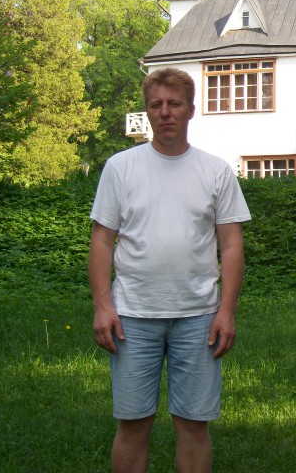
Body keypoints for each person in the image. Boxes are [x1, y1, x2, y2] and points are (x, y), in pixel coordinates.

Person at [87, 67, 251, 473]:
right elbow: (101, 241)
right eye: (156, 105)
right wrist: (103, 307)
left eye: (174, 104)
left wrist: (226, 312)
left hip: (198, 318)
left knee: (193, 425)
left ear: (191, 110)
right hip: (131, 317)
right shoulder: (120, 167)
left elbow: (232, 245)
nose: (165, 112)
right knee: (132, 424)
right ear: (147, 111)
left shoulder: (215, 171)